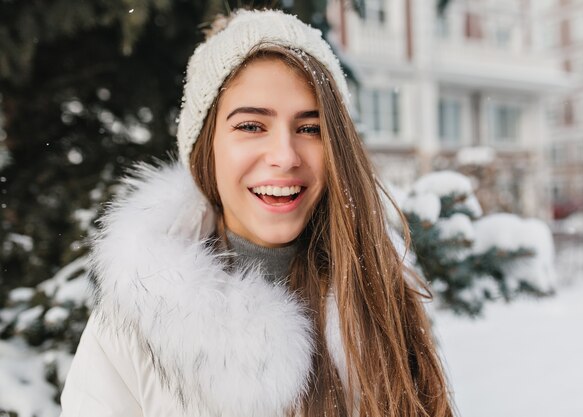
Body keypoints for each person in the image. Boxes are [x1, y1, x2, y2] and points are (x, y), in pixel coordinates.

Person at [60, 9, 454, 417]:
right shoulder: (133, 325)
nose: (284, 157)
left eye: (310, 128)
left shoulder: (381, 303)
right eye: (251, 126)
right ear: (205, 149)